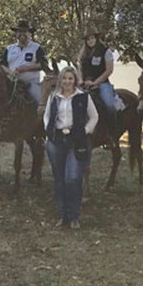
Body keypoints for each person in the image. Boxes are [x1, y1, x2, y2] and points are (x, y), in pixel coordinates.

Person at [43, 66, 98, 229]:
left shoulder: (83, 97)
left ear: (75, 80)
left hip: (77, 141)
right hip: (57, 141)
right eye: (65, 78)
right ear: (61, 80)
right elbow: (47, 116)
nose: (67, 81)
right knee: (59, 179)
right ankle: (62, 215)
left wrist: (85, 131)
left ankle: (74, 215)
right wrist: (49, 132)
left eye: (70, 78)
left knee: (72, 178)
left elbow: (94, 117)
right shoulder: (54, 96)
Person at [78, 26, 117, 138]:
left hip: (102, 84)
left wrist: (96, 83)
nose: (90, 41)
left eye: (92, 38)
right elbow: (80, 69)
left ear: (96, 38)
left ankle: (112, 135)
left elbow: (109, 70)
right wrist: (80, 80)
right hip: (85, 85)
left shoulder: (106, 51)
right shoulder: (82, 54)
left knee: (109, 105)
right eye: (88, 39)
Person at [2, 20, 47, 104]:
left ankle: (42, 116)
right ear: (16, 33)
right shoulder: (9, 49)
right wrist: (10, 72)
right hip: (11, 82)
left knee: (39, 100)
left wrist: (26, 68)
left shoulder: (37, 48)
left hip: (31, 82)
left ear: (29, 33)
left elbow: (44, 65)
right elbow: (2, 65)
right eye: (19, 31)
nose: (22, 34)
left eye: (25, 31)